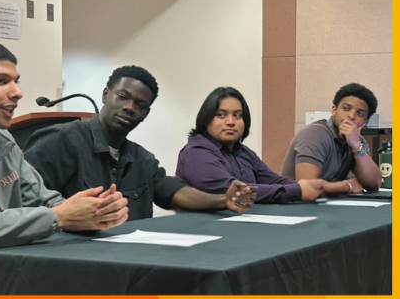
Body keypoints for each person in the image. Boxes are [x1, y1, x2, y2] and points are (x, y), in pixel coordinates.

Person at [0, 38, 130, 291]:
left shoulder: (3, 139)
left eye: (16, 81)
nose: (17, 92)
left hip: (7, 280)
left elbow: (42, 200)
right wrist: (58, 217)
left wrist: (94, 211)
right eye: (1, 81)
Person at [24, 66, 256, 220]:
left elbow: (172, 192)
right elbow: (24, 203)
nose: (129, 107)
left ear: (145, 114)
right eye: (123, 97)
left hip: (131, 262)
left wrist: (223, 200)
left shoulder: (141, 159)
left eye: (140, 105)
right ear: (106, 94)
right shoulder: (62, 141)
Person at [176, 87, 324, 203]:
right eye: (221, 115)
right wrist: (298, 190)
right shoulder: (196, 153)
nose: (230, 122)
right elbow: (236, 193)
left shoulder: (243, 152)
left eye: (237, 115)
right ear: (206, 118)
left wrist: (311, 187)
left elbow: (274, 181)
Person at [280, 83, 382, 195]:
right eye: (346, 108)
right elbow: (307, 188)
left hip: (325, 206)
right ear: (334, 109)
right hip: (293, 207)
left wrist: (357, 146)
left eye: (360, 113)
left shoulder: (357, 140)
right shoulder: (315, 134)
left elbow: (374, 184)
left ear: (365, 122)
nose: (351, 116)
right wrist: (347, 186)